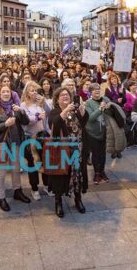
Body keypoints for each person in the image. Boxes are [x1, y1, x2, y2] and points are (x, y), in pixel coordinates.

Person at [0, 86, 31, 211]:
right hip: (0, 144)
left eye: (8, 92)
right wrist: (5, 124)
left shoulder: (15, 107)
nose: (6, 93)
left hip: (16, 143)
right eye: (3, 92)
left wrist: (21, 112)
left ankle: (17, 191)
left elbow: (26, 122)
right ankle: (1, 197)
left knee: (16, 169)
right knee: (0, 173)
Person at [48, 87, 88, 218]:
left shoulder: (76, 110)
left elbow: (84, 122)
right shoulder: (55, 111)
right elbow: (54, 123)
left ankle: (78, 199)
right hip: (62, 150)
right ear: (57, 99)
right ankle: (58, 202)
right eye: (62, 95)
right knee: (60, 176)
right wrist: (65, 110)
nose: (65, 97)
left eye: (67, 95)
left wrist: (82, 111)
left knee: (77, 175)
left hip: (78, 149)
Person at [21, 81, 50, 199]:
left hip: (43, 136)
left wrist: (44, 103)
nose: (34, 93)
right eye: (32, 90)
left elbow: (49, 113)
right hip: (30, 138)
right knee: (33, 164)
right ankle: (34, 188)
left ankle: (47, 185)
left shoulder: (41, 103)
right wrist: (37, 117)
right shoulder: (23, 105)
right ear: (27, 92)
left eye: (36, 91)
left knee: (45, 162)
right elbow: (25, 121)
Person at [85, 83, 109, 184]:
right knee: (95, 153)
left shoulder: (106, 100)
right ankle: (97, 173)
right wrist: (100, 109)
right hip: (92, 132)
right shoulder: (88, 103)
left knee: (103, 153)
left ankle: (102, 171)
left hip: (104, 131)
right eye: (94, 90)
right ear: (91, 92)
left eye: (98, 89)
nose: (97, 91)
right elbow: (90, 118)